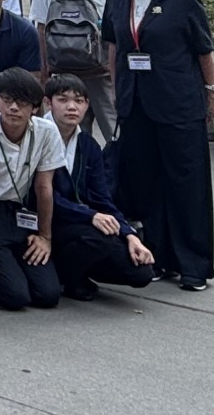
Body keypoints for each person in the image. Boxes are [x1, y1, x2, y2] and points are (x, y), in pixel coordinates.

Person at [102, 0, 214, 292]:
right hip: (135, 104)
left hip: (178, 103)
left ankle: (194, 264)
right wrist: (116, 89)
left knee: (187, 184)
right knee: (147, 183)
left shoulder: (182, 0)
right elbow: (114, 48)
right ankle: (159, 256)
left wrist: (211, 93)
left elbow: (204, 50)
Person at [0, 67, 64, 311]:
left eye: (22, 102)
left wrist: (45, 237)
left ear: (35, 107)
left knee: (48, 295)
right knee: (16, 298)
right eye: (7, 100)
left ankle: (10, 266)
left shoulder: (47, 132)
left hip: (21, 211)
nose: (13, 108)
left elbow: (44, 186)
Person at [42, 75, 155, 300]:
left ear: (87, 104)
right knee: (100, 239)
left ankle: (76, 269)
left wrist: (129, 235)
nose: (72, 107)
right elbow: (41, 195)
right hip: (46, 221)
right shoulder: (37, 136)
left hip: (80, 223)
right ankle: (68, 277)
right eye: (63, 100)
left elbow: (102, 198)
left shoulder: (88, 144)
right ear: (48, 102)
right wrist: (90, 216)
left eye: (79, 101)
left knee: (141, 273)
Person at [29, 0, 124, 139]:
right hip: (63, 73)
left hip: (104, 72)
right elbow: (41, 27)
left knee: (117, 135)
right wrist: (44, 73)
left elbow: (124, 22)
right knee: (69, 140)